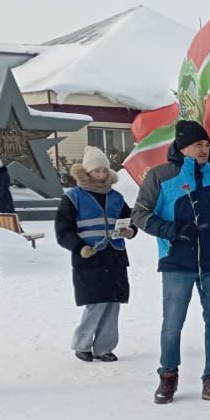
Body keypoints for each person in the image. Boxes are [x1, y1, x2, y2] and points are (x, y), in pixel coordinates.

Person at [132, 120, 210, 404]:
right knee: (173, 324)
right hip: (177, 263)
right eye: (198, 144)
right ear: (182, 146)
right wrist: (174, 231)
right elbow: (140, 215)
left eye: (207, 145)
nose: (204, 150)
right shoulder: (160, 176)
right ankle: (168, 377)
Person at [54, 145, 136, 363]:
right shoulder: (73, 197)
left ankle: (104, 348)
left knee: (113, 302)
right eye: (97, 171)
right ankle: (82, 345)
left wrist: (130, 231)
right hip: (90, 258)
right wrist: (79, 247)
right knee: (96, 303)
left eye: (104, 171)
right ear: (87, 171)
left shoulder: (116, 197)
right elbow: (63, 231)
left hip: (115, 257)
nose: (101, 175)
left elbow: (131, 220)